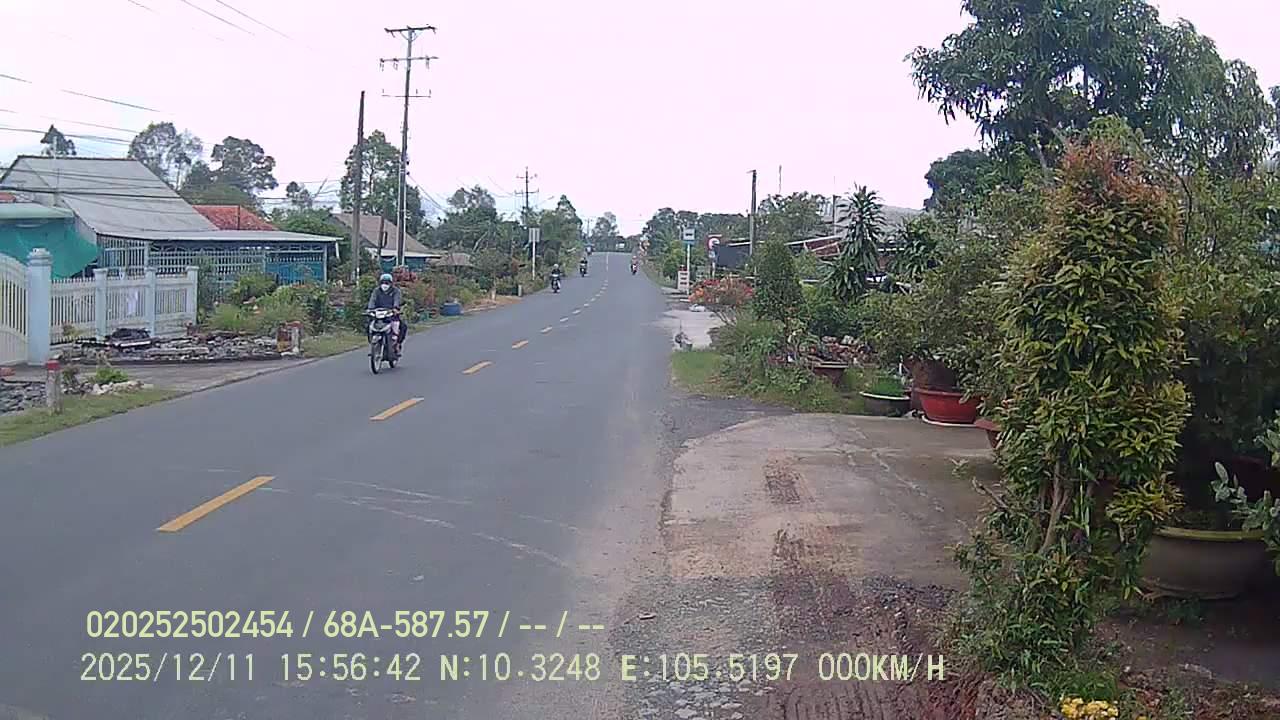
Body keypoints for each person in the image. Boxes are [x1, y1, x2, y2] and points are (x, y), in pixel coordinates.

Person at [367, 272, 405, 351]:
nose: (385, 285)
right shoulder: (376, 291)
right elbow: (372, 300)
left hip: (391, 314)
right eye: (383, 282)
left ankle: (398, 344)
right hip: (378, 314)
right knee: (368, 326)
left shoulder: (396, 291)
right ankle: (372, 343)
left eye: (387, 283)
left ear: (391, 283)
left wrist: (395, 308)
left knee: (403, 327)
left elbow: (397, 300)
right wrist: (370, 309)